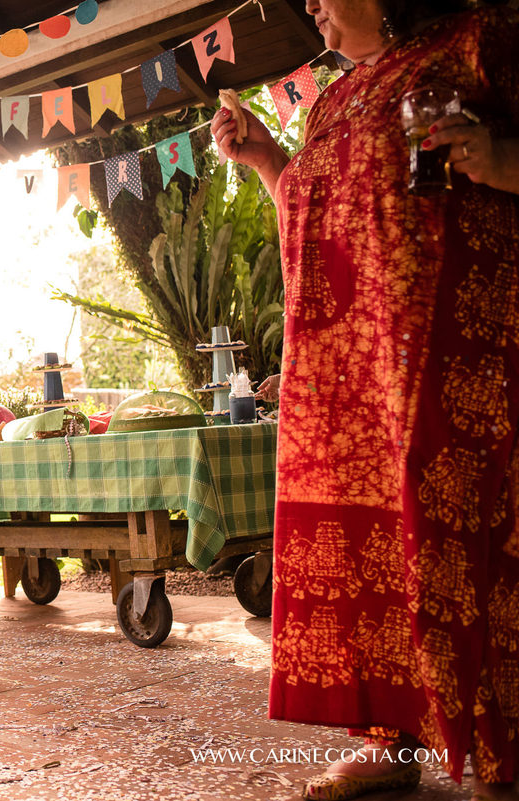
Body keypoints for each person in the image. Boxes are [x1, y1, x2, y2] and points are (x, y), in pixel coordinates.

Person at [211, 2, 519, 799]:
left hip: (448, 352)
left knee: (455, 527)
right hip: (344, 372)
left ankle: (499, 738)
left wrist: (503, 159)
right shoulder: (338, 97)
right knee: (361, 542)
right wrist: (266, 159)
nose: (310, 2)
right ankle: (388, 738)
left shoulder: (479, 40)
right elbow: (326, 215)